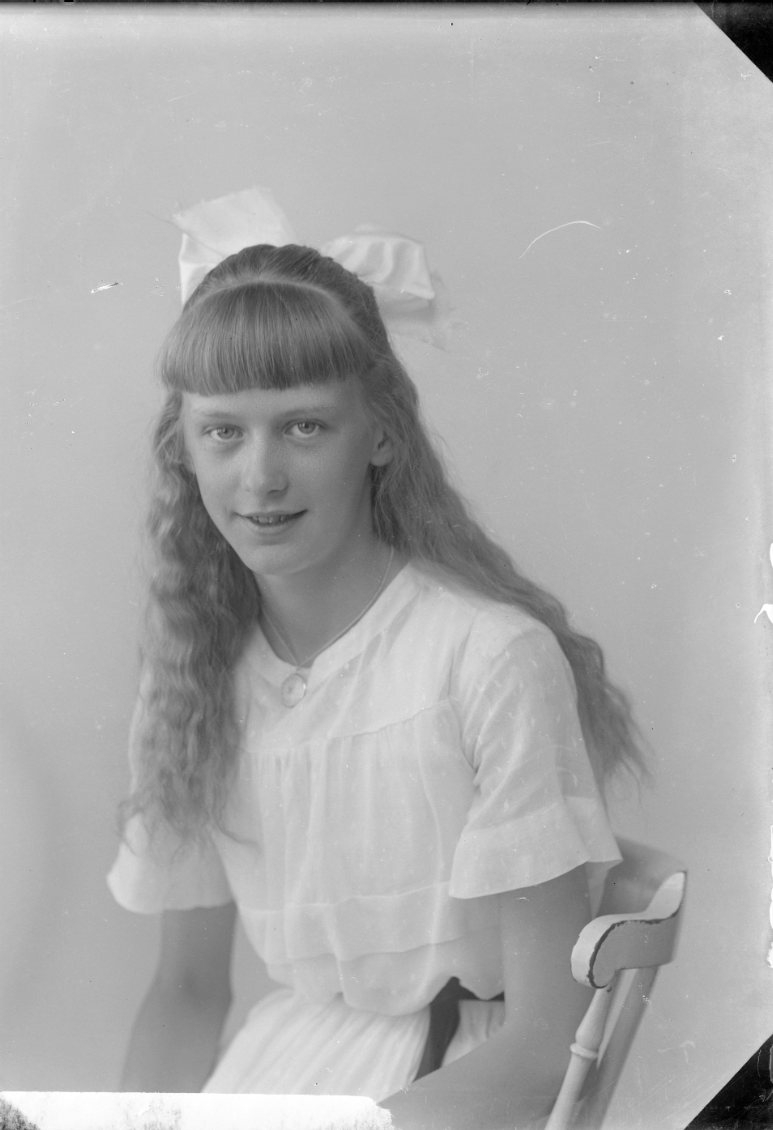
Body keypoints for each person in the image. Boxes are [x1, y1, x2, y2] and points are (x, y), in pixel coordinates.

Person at [107, 224, 644, 1129]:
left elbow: (542, 1050)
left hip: (454, 1093)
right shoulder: (191, 683)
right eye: (223, 432)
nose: (261, 476)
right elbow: (187, 994)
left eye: (304, 426)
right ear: (183, 449)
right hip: (277, 1075)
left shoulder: (486, 658)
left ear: (382, 433)